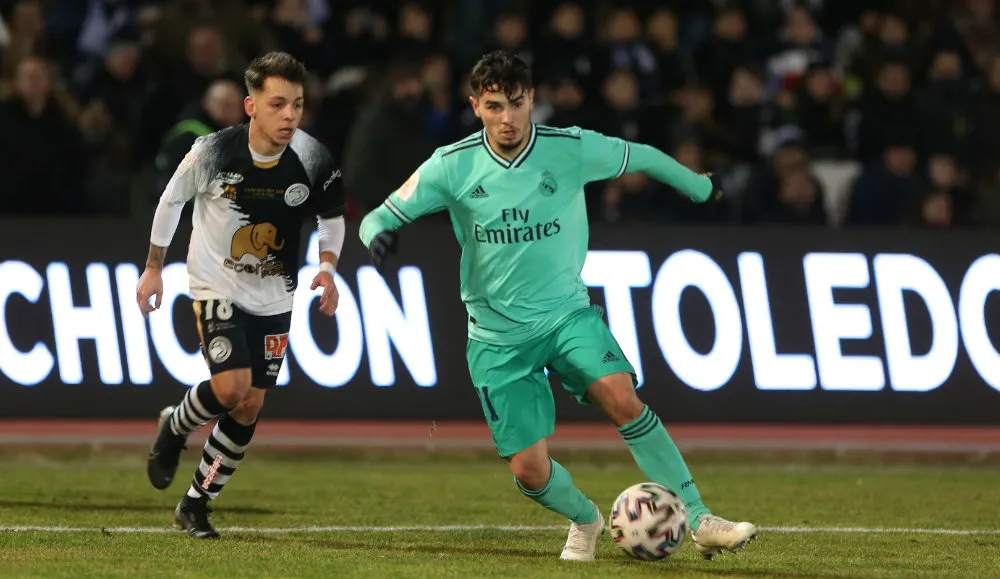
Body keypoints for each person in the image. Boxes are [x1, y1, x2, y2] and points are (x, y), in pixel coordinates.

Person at [359, 50, 757, 562]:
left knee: (622, 397)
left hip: (567, 314)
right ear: (475, 105)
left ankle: (700, 518)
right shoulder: (450, 166)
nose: (507, 118)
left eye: (517, 104)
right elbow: (377, 215)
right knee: (528, 469)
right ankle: (586, 519)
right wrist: (378, 238)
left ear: (532, 100)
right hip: (496, 338)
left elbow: (643, 156)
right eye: (495, 106)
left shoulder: (568, 149)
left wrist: (701, 188)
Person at [136, 51, 346, 539]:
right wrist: (153, 268)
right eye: (278, 104)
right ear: (251, 106)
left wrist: (328, 269)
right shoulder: (212, 151)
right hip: (216, 284)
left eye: (296, 104)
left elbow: (331, 218)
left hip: (275, 295)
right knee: (230, 388)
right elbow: (171, 202)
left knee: (249, 405)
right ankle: (174, 428)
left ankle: (195, 504)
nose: (290, 115)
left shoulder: (313, 158)